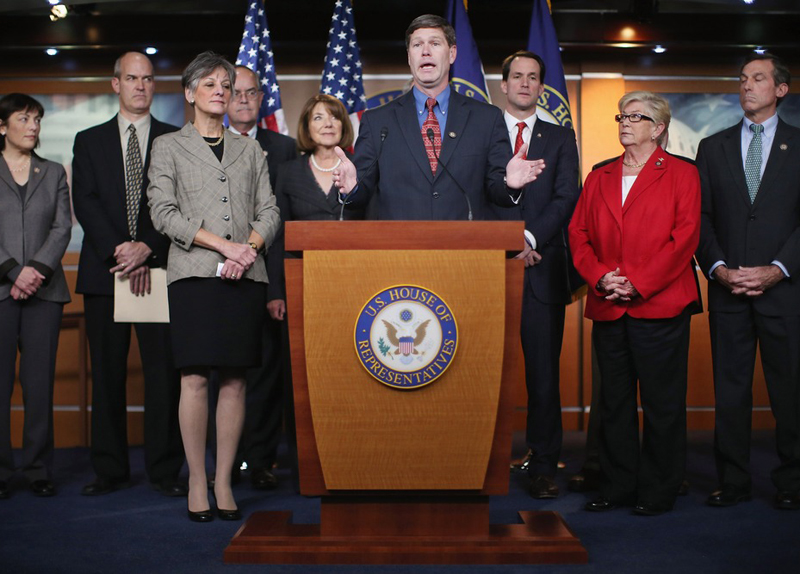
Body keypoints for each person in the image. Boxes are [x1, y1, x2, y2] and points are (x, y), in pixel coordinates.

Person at [147, 51, 280, 522]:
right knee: (195, 378)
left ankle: (223, 480)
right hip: (194, 276)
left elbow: (270, 210)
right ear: (189, 93)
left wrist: (249, 249)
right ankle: (196, 480)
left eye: (226, 84)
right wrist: (226, 246)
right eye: (210, 84)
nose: (221, 91)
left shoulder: (251, 149)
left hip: (246, 276)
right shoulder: (167, 146)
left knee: (237, 379)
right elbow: (162, 213)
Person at [569, 91, 700, 516]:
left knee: (662, 404)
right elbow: (578, 235)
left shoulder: (683, 174)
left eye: (635, 117)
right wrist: (601, 277)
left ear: (658, 128)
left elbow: (685, 239)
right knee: (614, 404)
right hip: (609, 303)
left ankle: (659, 490)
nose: (625, 122)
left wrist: (638, 283)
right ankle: (618, 485)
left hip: (661, 306)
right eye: (621, 116)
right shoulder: (599, 175)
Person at [71, 52, 185, 498]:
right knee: (107, 374)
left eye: (148, 78)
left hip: (160, 270)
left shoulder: (176, 139)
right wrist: (121, 251)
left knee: (163, 376)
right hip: (107, 272)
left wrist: (147, 247)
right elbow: (85, 200)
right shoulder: (89, 140)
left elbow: (180, 203)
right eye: (132, 78)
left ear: (154, 85)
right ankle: (110, 470)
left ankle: (165, 471)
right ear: (115, 83)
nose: (141, 85)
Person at [696, 52, 800, 511]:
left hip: (786, 293)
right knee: (731, 393)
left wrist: (778, 269)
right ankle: (733, 481)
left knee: (790, 392)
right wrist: (718, 268)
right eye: (742, 78)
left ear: (781, 89)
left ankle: (792, 481)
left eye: (758, 78)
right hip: (729, 291)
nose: (747, 85)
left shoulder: (799, 144)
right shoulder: (712, 147)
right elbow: (700, 219)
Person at [331, 14, 545, 218]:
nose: (425, 51)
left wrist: (509, 184)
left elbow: (496, 191)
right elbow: (362, 193)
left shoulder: (486, 119)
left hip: (465, 242)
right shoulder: (378, 122)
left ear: (452, 54)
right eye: (417, 45)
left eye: (434, 43)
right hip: (399, 243)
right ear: (409, 57)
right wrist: (352, 188)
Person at [497, 51, 580, 499]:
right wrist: (508, 242)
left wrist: (528, 239)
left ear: (541, 88)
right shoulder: (482, 132)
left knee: (543, 375)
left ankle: (543, 465)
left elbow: (567, 196)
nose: (525, 83)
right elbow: (472, 195)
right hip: (488, 269)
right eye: (517, 76)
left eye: (533, 77)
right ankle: (480, 458)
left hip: (542, 270)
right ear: (504, 85)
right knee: (478, 369)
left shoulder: (560, 137)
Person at [224, 65, 297, 491]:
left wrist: (276, 286)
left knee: (267, 374)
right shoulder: (206, 144)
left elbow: (285, 223)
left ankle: (262, 459)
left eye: (252, 92)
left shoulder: (283, 148)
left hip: (267, 276)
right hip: (220, 276)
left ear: (261, 98)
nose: (244, 99)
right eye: (236, 92)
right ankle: (226, 462)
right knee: (224, 374)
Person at [0, 94, 71, 499]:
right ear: (2, 126)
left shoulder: (53, 171)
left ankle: (38, 469)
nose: (33, 126)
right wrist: (13, 271)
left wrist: (35, 271)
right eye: (24, 118)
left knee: (39, 385)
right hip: (1, 290)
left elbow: (62, 228)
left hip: (44, 292)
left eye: (37, 120)